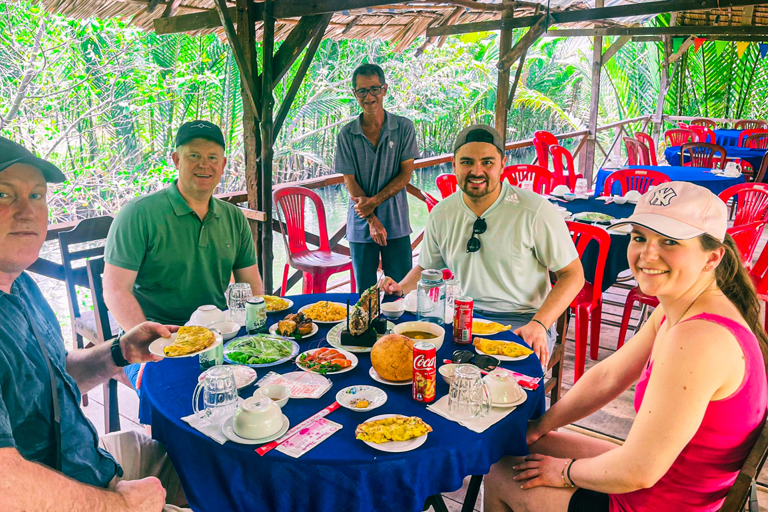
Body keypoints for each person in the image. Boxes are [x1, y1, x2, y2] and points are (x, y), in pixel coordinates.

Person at [484, 181, 768, 512]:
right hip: (669, 475)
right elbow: (610, 375)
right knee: (517, 446)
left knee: (502, 474)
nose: (648, 254)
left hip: (666, 499)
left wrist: (564, 473)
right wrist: (540, 427)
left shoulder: (699, 339)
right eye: (639, 237)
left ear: (712, 257)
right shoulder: (681, 302)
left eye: (670, 242)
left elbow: (638, 470)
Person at [0, 137, 186, 511]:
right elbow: (7, 486)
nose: (26, 211)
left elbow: (50, 379)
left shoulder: (20, 286)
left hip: (90, 461)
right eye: (4, 195)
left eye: (36, 196)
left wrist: (120, 351)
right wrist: (123, 505)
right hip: (62, 494)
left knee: (211, 459)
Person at [382, 125, 584, 366]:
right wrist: (400, 289)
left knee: (508, 388)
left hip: (524, 320)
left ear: (502, 164)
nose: (477, 171)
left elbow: (573, 275)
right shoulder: (442, 213)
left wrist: (540, 324)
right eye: (467, 162)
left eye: (487, 162)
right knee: (410, 364)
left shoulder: (535, 211)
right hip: (460, 318)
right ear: (454, 164)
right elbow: (427, 269)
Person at [103, 121, 263, 387]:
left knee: (262, 386)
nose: (204, 164)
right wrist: (147, 347)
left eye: (212, 157)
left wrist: (258, 329)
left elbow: (251, 284)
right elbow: (115, 290)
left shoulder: (234, 217)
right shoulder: (139, 213)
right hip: (155, 341)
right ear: (177, 160)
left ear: (223, 165)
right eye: (194, 156)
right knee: (174, 400)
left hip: (217, 333)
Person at [336, 63, 420, 293]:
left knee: (401, 290)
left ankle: (399, 330)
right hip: (362, 225)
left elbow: (405, 176)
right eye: (362, 90)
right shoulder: (347, 134)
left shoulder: (403, 127)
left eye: (374, 89)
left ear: (384, 89)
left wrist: (373, 202)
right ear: (355, 94)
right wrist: (372, 219)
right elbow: (349, 182)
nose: (369, 96)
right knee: (365, 295)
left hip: (396, 223)